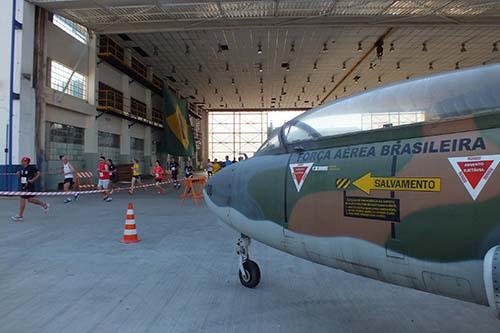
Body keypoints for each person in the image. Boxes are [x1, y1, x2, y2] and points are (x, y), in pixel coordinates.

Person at [11, 156, 49, 222]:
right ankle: (44, 205)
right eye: (22, 161)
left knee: (22, 199)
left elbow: (38, 173)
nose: (22, 162)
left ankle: (20, 216)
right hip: (23, 185)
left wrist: (33, 180)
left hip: (29, 186)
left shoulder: (31, 167)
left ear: (27, 162)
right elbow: (22, 176)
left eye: (24, 161)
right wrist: (18, 175)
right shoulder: (21, 168)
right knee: (30, 200)